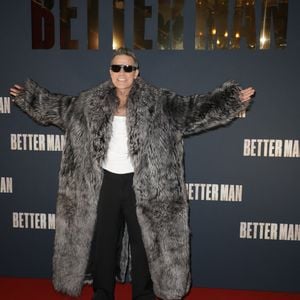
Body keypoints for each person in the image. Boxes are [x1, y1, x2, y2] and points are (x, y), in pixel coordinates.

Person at [9, 47, 255, 300]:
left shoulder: (160, 103)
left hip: (145, 184)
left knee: (144, 243)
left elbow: (195, 109)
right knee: (104, 241)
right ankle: (102, 292)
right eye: (117, 67)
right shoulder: (89, 103)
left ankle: (143, 293)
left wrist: (230, 100)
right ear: (110, 72)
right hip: (106, 181)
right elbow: (59, 107)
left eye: (128, 68)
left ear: (137, 72)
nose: (122, 73)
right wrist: (30, 97)